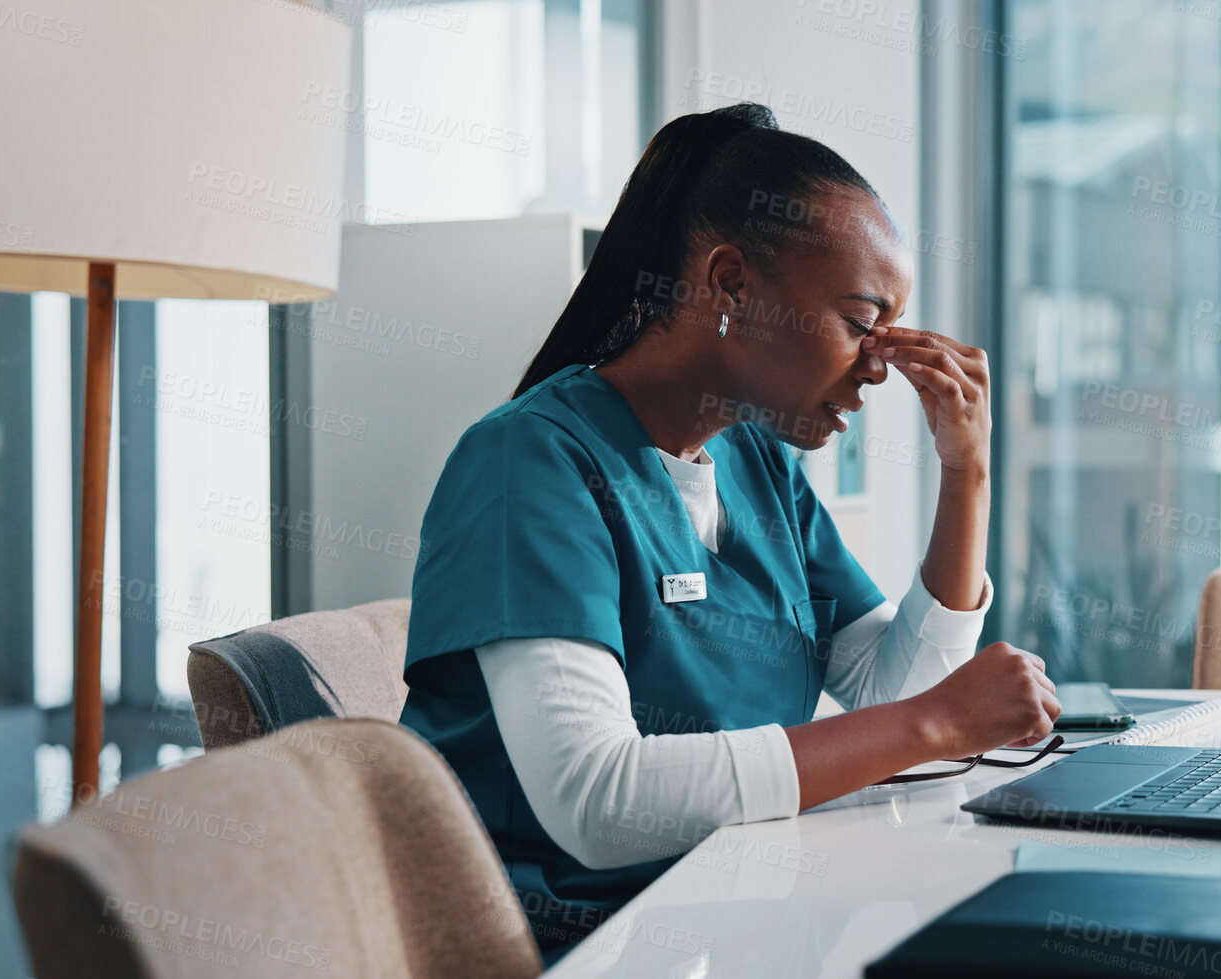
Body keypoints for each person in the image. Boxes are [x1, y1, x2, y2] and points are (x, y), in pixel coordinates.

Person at [400, 102, 1062, 959]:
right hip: (574, 943)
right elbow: (598, 801)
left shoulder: (758, 464)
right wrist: (937, 724)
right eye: (862, 323)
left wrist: (965, 473)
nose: (879, 366)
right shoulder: (529, 461)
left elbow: (886, 693)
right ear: (729, 284)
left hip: (733, 914)